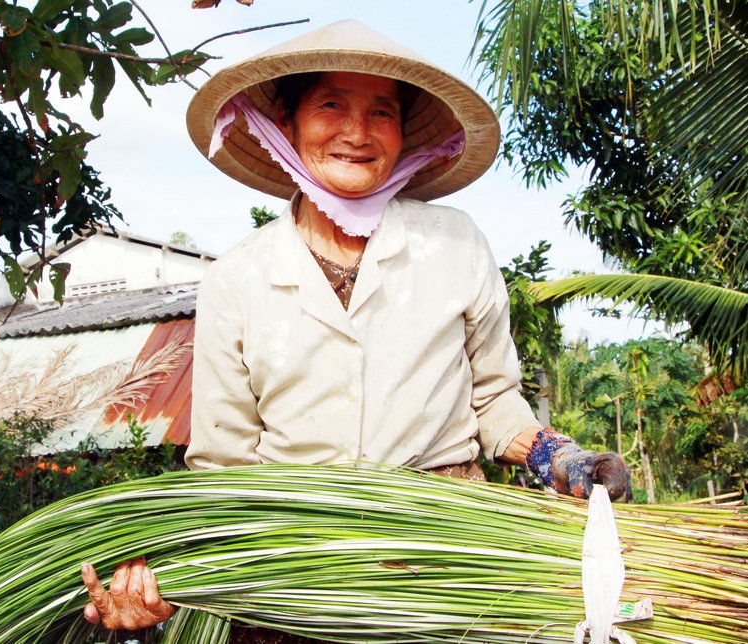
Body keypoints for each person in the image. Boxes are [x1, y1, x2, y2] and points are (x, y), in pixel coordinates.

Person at [81, 19, 632, 636]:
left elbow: (494, 398)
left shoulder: (454, 244)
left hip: (446, 566)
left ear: (401, 134)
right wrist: (166, 582)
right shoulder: (237, 278)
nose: (356, 132)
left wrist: (559, 457)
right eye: (331, 105)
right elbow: (224, 464)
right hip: (292, 582)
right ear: (287, 122)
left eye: (382, 112)